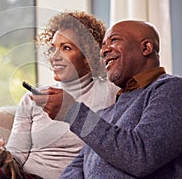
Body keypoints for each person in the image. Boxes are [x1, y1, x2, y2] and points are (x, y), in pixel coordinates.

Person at [0, 11, 119, 179]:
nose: (55, 57)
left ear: (88, 56)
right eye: (53, 48)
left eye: (66, 48)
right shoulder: (33, 99)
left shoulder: (110, 93)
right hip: (24, 175)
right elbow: (17, 154)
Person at [32, 20, 182, 178]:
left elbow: (140, 157)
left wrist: (72, 111)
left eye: (114, 40)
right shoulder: (106, 113)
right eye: (103, 45)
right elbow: (76, 168)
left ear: (146, 48)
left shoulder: (172, 90)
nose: (103, 50)